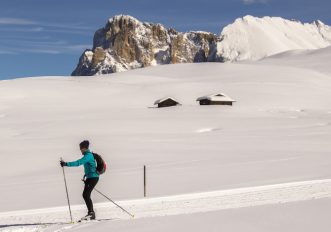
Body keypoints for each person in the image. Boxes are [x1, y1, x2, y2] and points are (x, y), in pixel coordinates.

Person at [60, 140, 99, 220]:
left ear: (84, 148)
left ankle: (91, 213)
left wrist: (66, 164)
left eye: (81, 148)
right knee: (86, 194)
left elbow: (78, 163)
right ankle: (91, 213)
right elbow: (89, 166)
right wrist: (86, 175)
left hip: (93, 177)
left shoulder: (88, 155)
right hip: (90, 177)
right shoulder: (88, 155)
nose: (80, 150)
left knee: (86, 195)